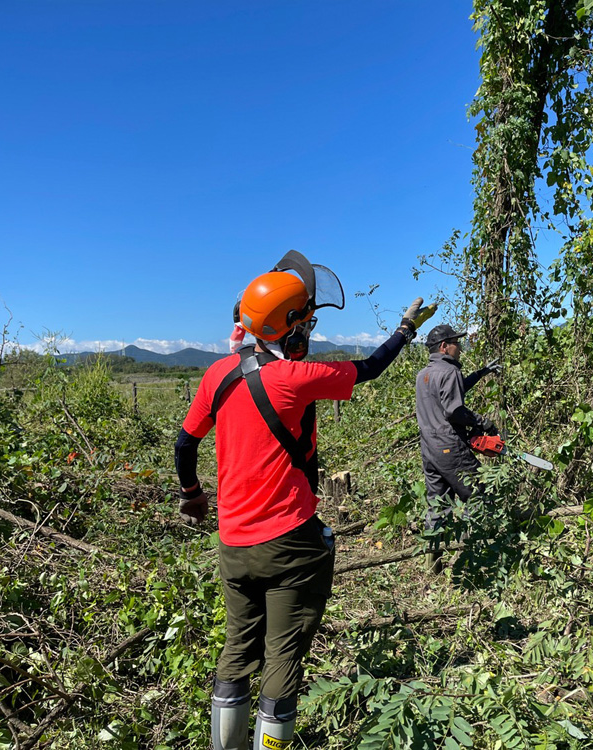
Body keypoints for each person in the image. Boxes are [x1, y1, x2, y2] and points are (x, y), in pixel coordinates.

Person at [174, 251, 434, 750]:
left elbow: (185, 444)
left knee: (235, 653)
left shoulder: (217, 375)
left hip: (233, 545)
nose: (309, 333)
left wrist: (193, 495)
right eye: (307, 324)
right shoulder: (298, 377)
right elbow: (371, 368)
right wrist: (404, 328)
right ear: (291, 328)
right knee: (283, 658)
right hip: (291, 544)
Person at [414, 324, 500, 568]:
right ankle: (475, 558)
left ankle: (432, 563)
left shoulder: (424, 375)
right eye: (456, 343)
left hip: (429, 450)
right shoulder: (449, 372)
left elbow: (449, 393)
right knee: (480, 496)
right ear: (444, 346)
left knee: (437, 505)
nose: (460, 348)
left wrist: (481, 373)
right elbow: (453, 410)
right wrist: (481, 422)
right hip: (450, 448)